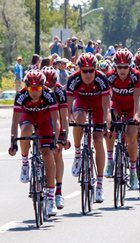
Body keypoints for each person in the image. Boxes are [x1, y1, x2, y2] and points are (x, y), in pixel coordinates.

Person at [8, 69, 61, 216]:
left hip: (45, 121)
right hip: (28, 118)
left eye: (38, 88)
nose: (35, 92)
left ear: (43, 86)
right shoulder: (21, 96)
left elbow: (56, 120)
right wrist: (13, 142)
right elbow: (14, 121)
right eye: (31, 88)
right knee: (26, 129)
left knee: (48, 155)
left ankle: (51, 198)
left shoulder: (49, 95)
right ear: (27, 87)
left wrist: (55, 139)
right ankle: (25, 163)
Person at [66, 52, 111, 202]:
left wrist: (107, 125)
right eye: (84, 71)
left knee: (98, 140)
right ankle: (78, 152)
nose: (88, 74)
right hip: (81, 101)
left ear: (95, 69)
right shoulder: (74, 79)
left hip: (98, 105)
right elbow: (67, 107)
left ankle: (99, 185)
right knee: (78, 118)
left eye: (91, 70)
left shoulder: (102, 79)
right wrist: (68, 122)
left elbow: (107, 108)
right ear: (79, 70)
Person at [105, 48, 140, 190]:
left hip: (132, 106)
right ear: (115, 66)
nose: (122, 70)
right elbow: (106, 99)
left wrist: (136, 116)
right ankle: (110, 161)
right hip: (117, 105)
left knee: (131, 134)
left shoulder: (136, 76)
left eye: (125, 67)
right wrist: (106, 117)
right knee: (109, 125)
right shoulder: (109, 76)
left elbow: (138, 98)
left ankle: (133, 171)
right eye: (119, 67)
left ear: (130, 66)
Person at [41, 66, 70, 210]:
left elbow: (64, 116)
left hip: (55, 120)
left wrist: (64, 136)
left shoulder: (59, 91)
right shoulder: (36, 90)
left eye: (51, 85)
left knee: (57, 153)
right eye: (46, 86)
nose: (49, 89)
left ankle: (58, 191)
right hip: (40, 119)